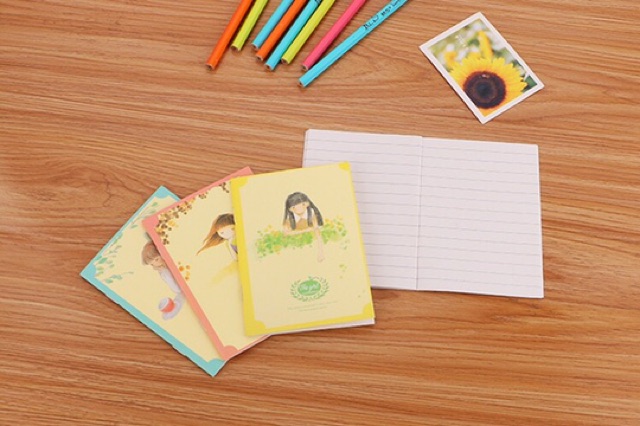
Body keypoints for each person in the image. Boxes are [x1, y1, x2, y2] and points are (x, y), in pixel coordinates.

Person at [141, 241, 184, 320]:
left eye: (156, 259)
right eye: (152, 264)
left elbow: (177, 287)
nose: (155, 264)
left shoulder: (169, 268)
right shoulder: (163, 271)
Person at [283, 192, 325, 262]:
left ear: (306, 204)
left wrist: (320, 252)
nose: (299, 208)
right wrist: (305, 231)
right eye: (294, 207)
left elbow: (317, 230)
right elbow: (286, 233)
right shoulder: (288, 219)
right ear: (291, 209)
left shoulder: (312, 214)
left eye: (303, 205)